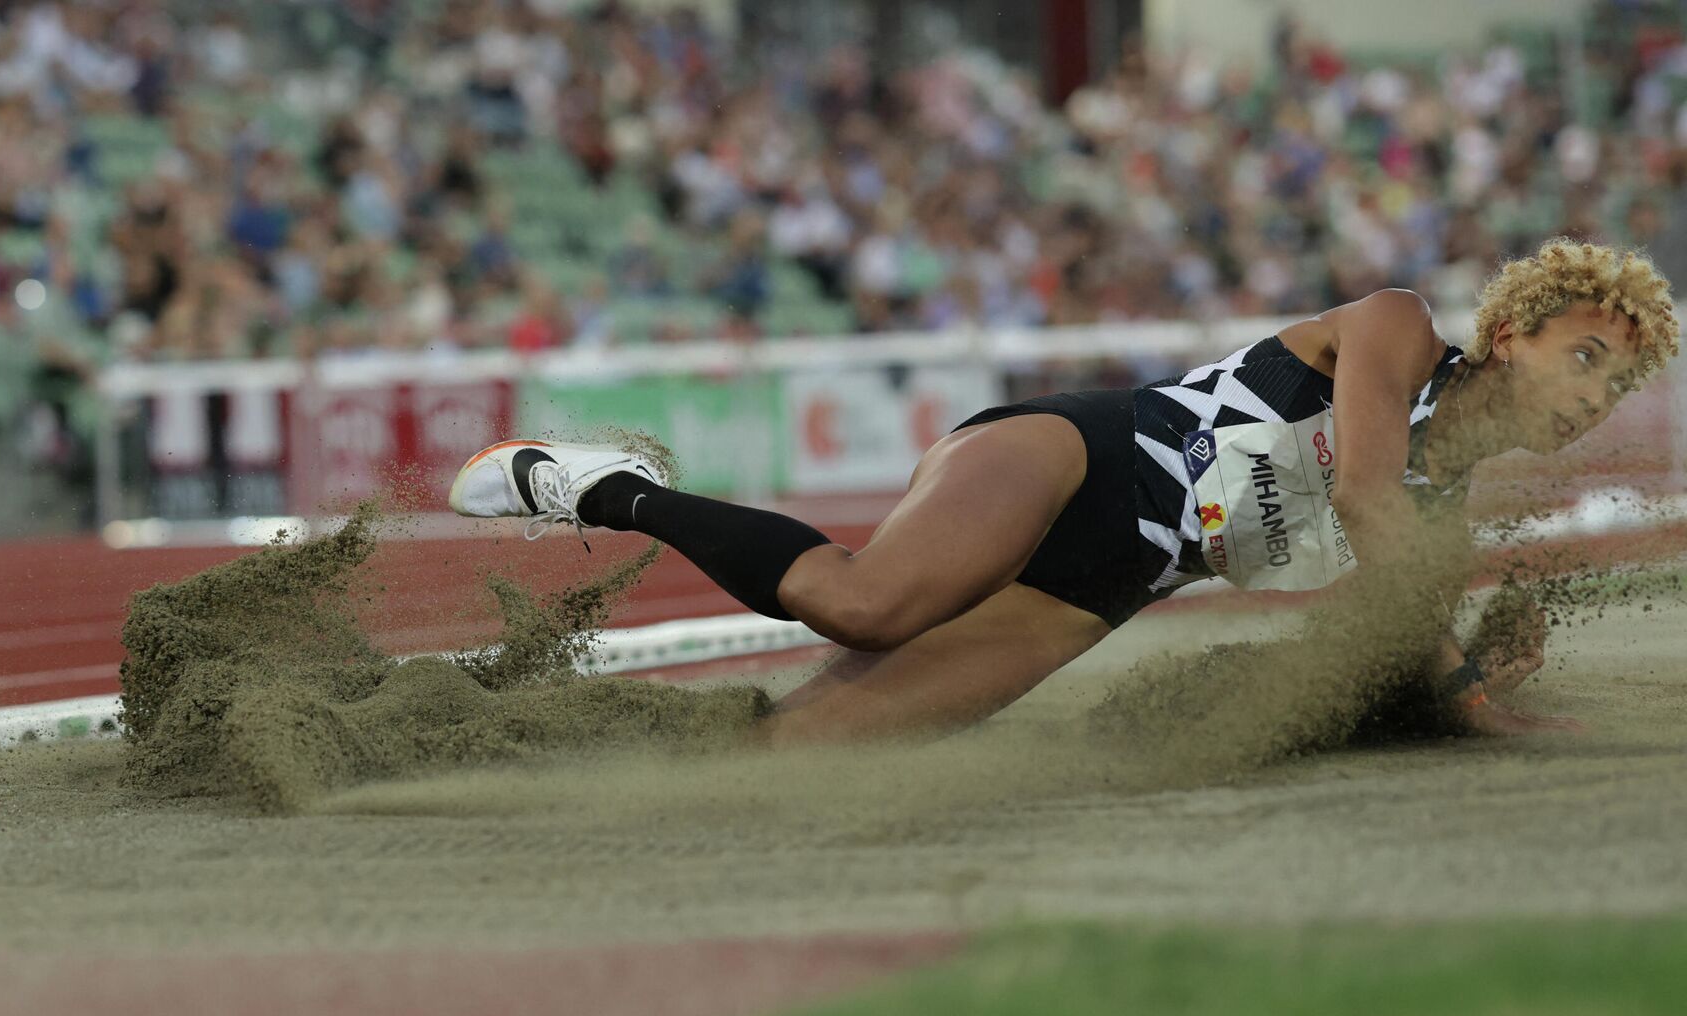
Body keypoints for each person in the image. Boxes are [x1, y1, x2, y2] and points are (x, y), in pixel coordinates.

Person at [450, 240, 1678, 746]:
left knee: (803, 748)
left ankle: (518, 739)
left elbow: (1372, 633)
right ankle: (606, 486)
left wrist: (1453, 689)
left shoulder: (1445, 512)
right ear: (1513, 331)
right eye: (1584, 357)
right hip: (1078, 456)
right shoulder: (1399, 329)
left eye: (1615, 387)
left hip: (1112, 580)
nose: (1591, 398)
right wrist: (1454, 657)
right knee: (866, 604)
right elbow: (1362, 490)